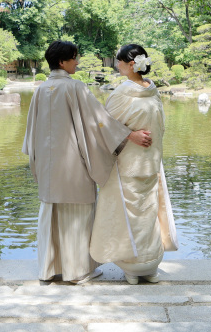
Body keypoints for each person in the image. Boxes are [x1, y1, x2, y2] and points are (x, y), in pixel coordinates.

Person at [22, 40, 153, 284]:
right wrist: (129, 135)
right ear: (62, 62)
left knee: (51, 215)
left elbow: (30, 134)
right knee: (77, 216)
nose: (78, 61)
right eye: (74, 57)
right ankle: (77, 272)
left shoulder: (41, 89)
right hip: (73, 164)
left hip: (47, 166)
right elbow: (99, 121)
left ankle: (49, 270)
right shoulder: (75, 88)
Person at [90, 44, 178, 284]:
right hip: (150, 161)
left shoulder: (122, 93)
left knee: (132, 215)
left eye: (118, 61)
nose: (115, 65)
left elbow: (103, 125)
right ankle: (149, 268)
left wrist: (129, 135)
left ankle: (134, 269)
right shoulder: (153, 91)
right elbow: (160, 127)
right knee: (147, 213)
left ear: (131, 65)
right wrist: (135, 135)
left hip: (129, 163)